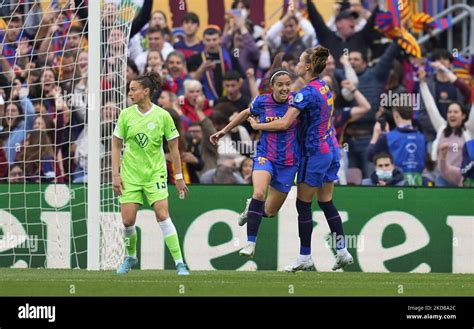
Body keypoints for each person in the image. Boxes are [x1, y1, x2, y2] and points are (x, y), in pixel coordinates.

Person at [249, 46, 353, 272]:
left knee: (303, 205)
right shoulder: (323, 85)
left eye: (299, 61)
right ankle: (343, 251)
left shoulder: (305, 94)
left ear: (307, 66)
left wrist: (259, 126)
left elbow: (285, 123)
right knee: (326, 201)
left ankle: (305, 256)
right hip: (332, 149)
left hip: (314, 153)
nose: (295, 64)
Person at [210, 68, 299, 259]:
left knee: (269, 211)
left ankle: (252, 207)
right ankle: (251, 244)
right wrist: (224, 131)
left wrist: (258, 126)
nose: (284, 88)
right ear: (272, 86)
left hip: (289, 162)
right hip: (265, 155)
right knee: (259, 192)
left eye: (287, 84)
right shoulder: (262, 101)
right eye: (280, 84)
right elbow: (244, 113)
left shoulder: (297, 102)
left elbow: (284, 124)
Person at [112, 71, 190, 275]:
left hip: (155, 174)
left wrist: (179, 178)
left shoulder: (163, 116)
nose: (130, 93)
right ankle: (130, 257)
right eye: (129, 89)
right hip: (130, 174)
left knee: (162, 215)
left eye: (133, 90)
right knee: (128, 221)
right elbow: (116, 145)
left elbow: (174, 149)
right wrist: (115, 175)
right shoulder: (125, 115)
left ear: (146, 92)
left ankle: (180, 263)